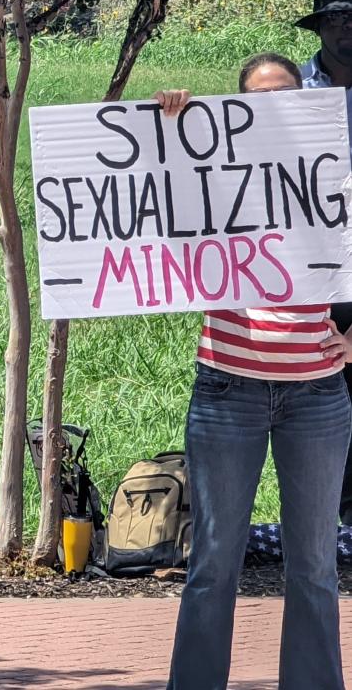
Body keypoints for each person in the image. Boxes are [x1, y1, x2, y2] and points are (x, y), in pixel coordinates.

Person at [158, 53, 352, 689]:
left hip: (318, 395)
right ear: (237, 108)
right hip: (227, 390)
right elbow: (158, 210)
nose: (274, 108)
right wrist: (172, 129)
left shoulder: (333, 173)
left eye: (286, 96)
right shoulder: (212, 174)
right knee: (213, 562)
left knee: (315, 567)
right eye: (259, 99)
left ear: (307, 100)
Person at [295, 0, 352, 523]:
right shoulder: (290, 88)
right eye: (334, 20)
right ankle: (330, 519)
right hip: (309, 262)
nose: (345, 29)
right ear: (320, 27)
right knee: (319, 386)